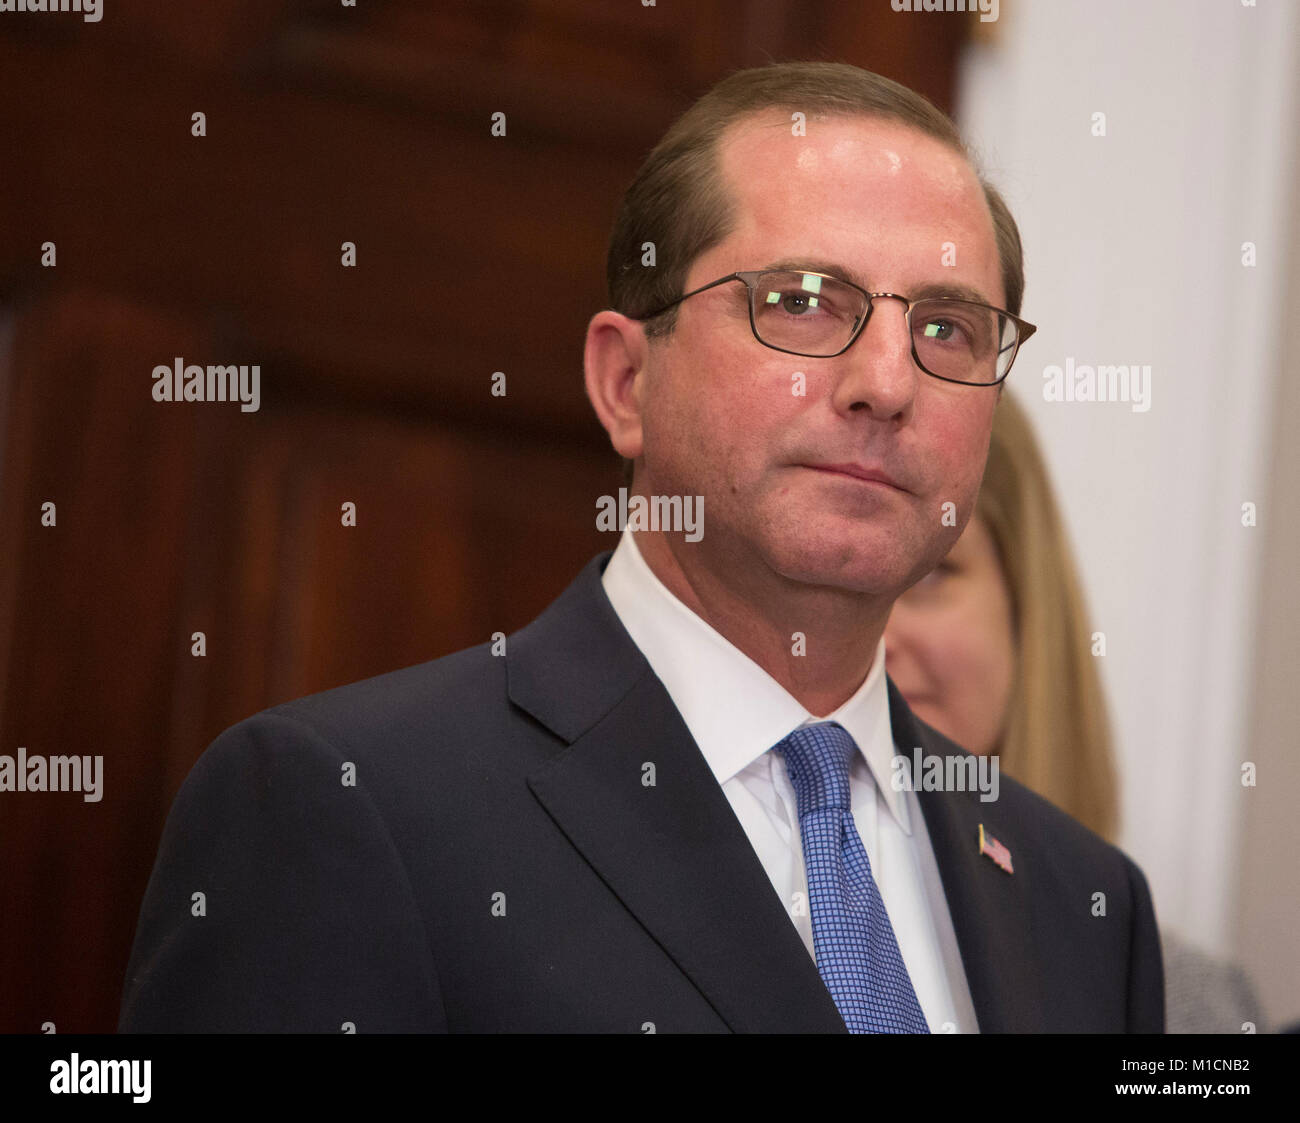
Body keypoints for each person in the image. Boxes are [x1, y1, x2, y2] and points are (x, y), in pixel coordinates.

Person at [119, 61, 1163, 1033]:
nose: (885, 382)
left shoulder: (1087, 907)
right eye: (799, 302)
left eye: (947, 328)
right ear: (626, 382)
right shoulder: (345, 809)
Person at [884, 388, 1268, 1033]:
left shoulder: (1182, 1007)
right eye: (821, 585)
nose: (874, 635)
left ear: (1025, 605)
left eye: (927, 576)